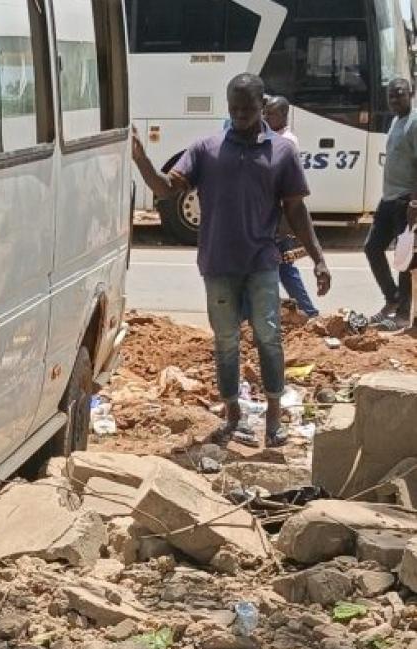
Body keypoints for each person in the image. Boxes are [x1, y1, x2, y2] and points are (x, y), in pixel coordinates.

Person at [131, 73, 331, 448]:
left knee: (268, 336)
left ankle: (273, 419)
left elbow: (297, 209)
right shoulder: (206, 150)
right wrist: (142, 161)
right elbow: (165, 188)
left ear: (263, 108)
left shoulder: (282, 152)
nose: (240, 115)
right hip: (218, 264)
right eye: (234, 108)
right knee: (225, 341)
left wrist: (318, 259)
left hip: (262, 262)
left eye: (248, 108)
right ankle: (232, 416)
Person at [364, 78, 417, 326]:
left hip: (407, 200)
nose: (395, 100)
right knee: (372, 247)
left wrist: (415, 203)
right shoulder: (396, 120)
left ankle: (404, 314)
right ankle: (392, 297)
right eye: (391, 96)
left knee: (405, 258)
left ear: (411, 94)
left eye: (400, 95)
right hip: (389, 199)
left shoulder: (414, 122)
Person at [262, 95, 320, 318]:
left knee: (276, 267)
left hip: (279, 215)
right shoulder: (270, 137)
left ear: (284, 116)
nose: (266, 117)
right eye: (265, 113)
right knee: (286, 268)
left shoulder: (287, 142)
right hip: (273, 214)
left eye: (271, 114)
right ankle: (309, 312)